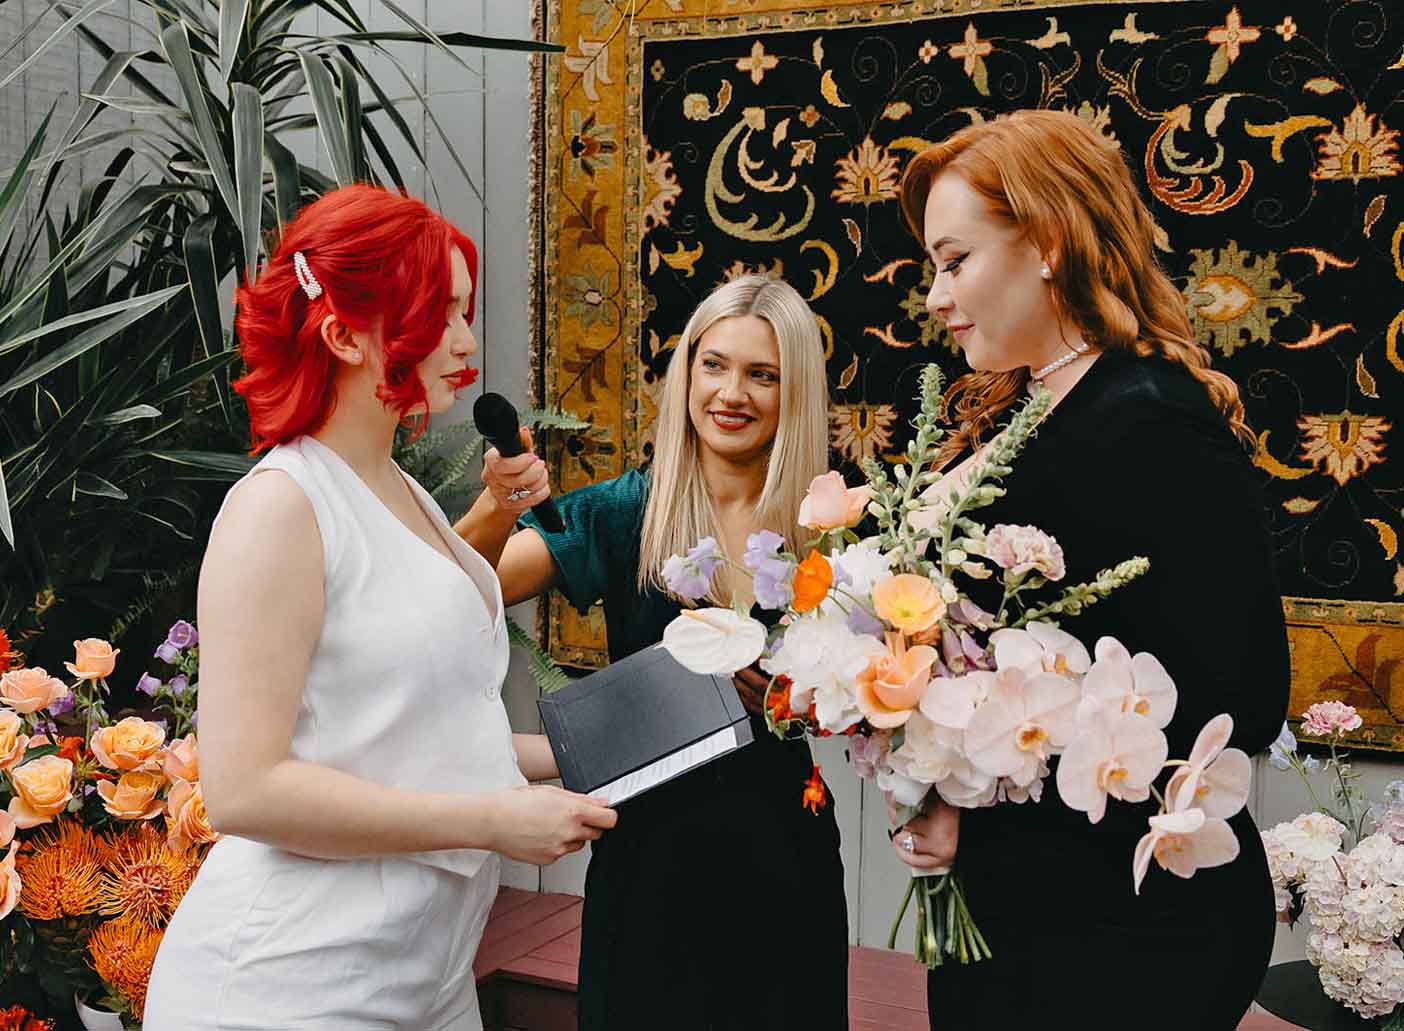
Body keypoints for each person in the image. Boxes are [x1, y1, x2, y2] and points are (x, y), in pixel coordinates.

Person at [144, 184, 616, 1031]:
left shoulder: (396, 486)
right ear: (341, 334)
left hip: (427, 978)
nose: (466, 340)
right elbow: (244, 789)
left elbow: (413, 721)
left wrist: (595, 749)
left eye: (465, 312)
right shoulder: (278, 508)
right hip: (285, 989)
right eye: (440, 314)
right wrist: (492, 820)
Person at [890, 109, 1288, 1029]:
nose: (937, 297)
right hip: (1025, 917)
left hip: (1125, 933)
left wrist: (990, 803)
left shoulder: (1149, 417)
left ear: (1047, 244)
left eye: (955, 261)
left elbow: (1245, 693)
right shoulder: (1016, 413)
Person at [455, 274, 849, 1030]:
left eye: (762, 375)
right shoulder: (624, 509)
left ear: (794, 389)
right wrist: (498, 505)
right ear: (687, 372)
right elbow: (460, 590)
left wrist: (820, 702)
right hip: (646, 866)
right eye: (714, 364)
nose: (731, 393)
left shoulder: (832, 522)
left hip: (786, 856)